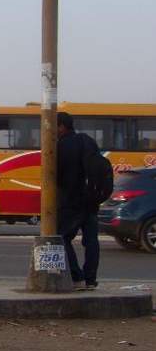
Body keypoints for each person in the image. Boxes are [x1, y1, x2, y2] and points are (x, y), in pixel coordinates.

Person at [57, 112, 100, 291]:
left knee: (62, 238)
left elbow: (56, 176)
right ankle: (90, 280)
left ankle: (77, 277)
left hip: (71, 200)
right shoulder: (88, 141)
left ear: (61, 126)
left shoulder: (62, 146)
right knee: (91, 240)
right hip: (92, 199)